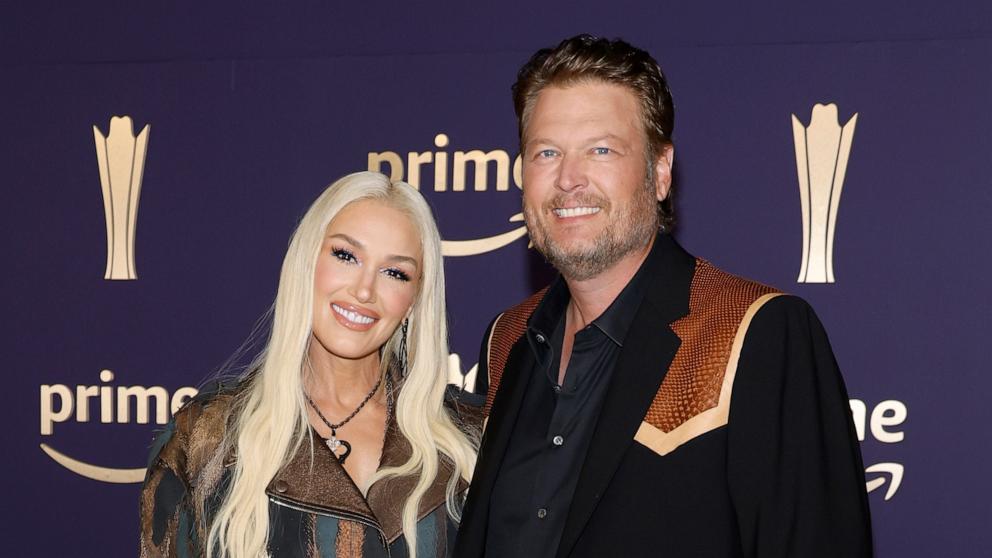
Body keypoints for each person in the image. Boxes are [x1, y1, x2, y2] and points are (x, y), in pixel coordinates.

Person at [455, 35, 873, 557]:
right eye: (546, 153)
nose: (568, 179)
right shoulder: (506, 340)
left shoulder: (756, 333)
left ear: (659, 172)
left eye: (601, 150)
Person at [140, 171, 479, 558]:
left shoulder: (468, 441)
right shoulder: (204, 436)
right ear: (306, 260)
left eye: (394, 272)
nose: (364, 290)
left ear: (415, 300)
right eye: (345, 255)